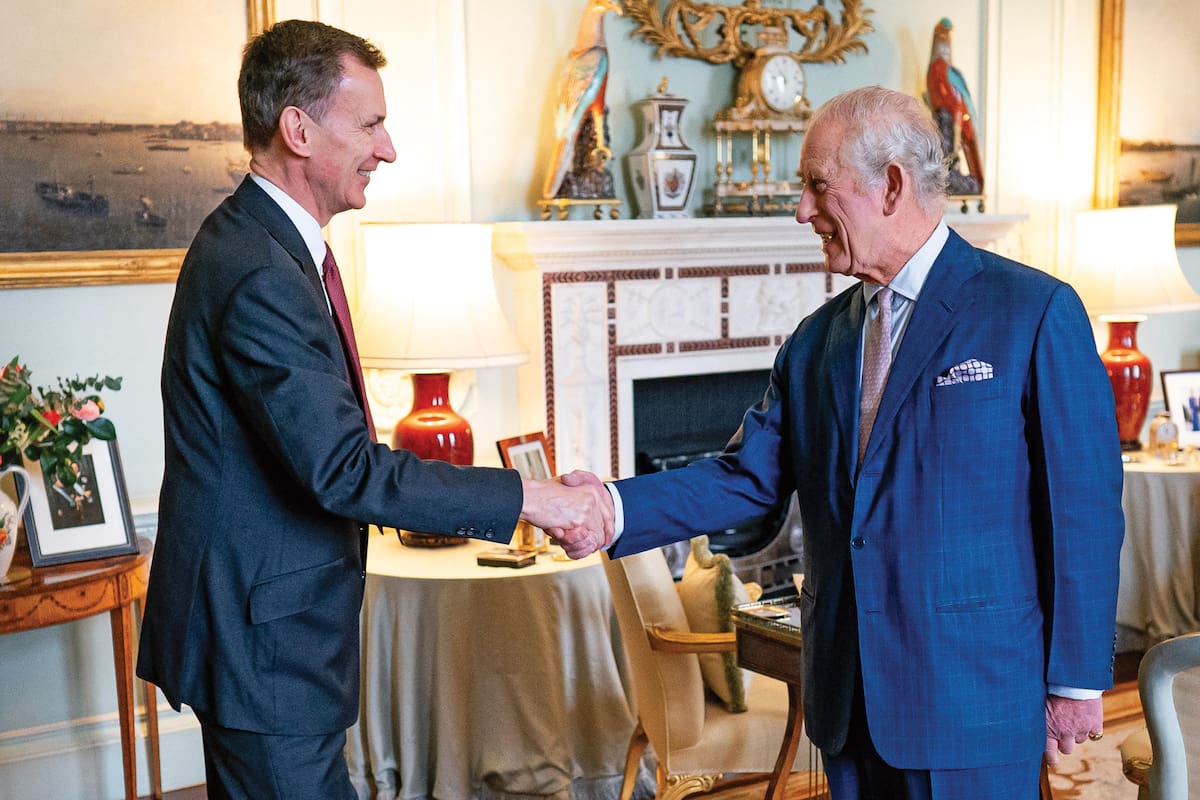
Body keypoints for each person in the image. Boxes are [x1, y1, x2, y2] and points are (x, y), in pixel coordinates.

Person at [572, 86, 1125, 799]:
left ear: (891, 184)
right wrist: (610, 506)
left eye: (815, 186)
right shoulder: (817, 342)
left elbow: (1083, 507)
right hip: (847, 700)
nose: (801, 211)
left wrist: (1075, 678)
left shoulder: (1034, 311)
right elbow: (746, 479)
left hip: (974, 699)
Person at [136, 20, 611, 800]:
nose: (387, 149)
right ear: (298, 128)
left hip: (271, 635)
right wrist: (536, 497)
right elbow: (343, 469)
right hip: (264, 647)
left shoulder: (271, 247)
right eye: (371, 124)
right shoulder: (260, 270)